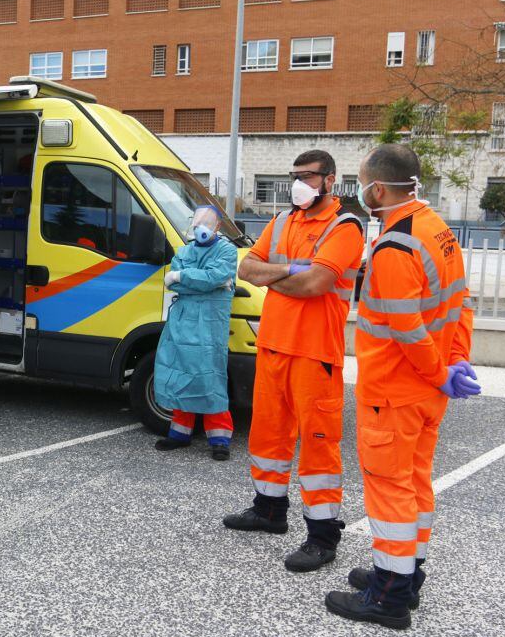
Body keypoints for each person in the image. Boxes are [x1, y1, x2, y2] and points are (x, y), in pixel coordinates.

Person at [325, 144, 479, 630]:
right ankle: (406, 576)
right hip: (427, 394)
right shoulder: (437, 231)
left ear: (376, 188)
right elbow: (461, 304)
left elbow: (405, 328)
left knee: (390, 490)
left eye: (362, 182)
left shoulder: (395, 245)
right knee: (415, 484)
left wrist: (438, 371)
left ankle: (388, 597)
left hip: (395, 391)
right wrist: (454, 363)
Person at [222, 149, 365, 573]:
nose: (300, 183)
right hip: (274, 345)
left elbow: (317, 284)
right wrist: (292, 269)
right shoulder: (283, 221)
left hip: (315, 353)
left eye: (309, 176)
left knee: (319, 447)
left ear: (331, 181)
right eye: (295, 175)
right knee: (269, 434)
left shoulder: (346, 226)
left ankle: (322, 537)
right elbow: (247, 267)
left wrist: (279, 273)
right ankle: (269, 511)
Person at [152, 205, 239, 460]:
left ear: (218, 226)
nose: (202, 226)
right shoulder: (184, 250)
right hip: (184, 320)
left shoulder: (227, 250)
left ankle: (220, 439)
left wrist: (182, 277)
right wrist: (208, 283)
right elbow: (209, 282)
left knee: (210, 376)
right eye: (199, 221)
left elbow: (215, 276)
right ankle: (179, 432)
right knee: (181, 373)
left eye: (208, 221)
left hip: (210, 323)